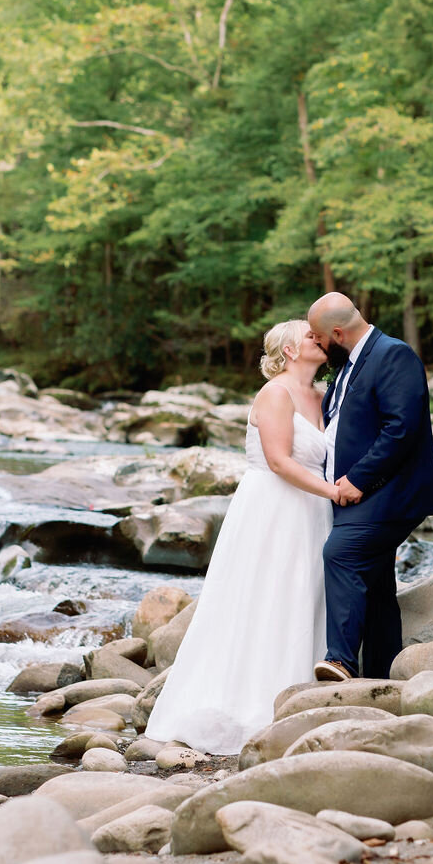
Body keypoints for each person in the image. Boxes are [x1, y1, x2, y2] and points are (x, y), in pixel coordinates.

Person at [146, 318, 339, 755]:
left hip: (311, 510)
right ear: (289, 350)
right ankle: (248, 705)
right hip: (274, 507)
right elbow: (278, 460)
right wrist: (333, 491)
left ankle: (298, 693)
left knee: (303, 594)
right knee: (264, 596)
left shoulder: (324, 396)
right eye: (310, 336)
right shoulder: (275, 393)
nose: (320, 339)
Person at [307, 291, 433, 683]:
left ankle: (340, 661)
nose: (316, 345)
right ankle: (384, 672)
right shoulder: (348, 365)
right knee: (376, 580)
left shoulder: (393, 355)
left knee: (342, 553)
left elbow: (401, 428)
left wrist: (357, 479)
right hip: (362, 494)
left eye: (319, 338)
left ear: (337, 332)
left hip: (391, 491)